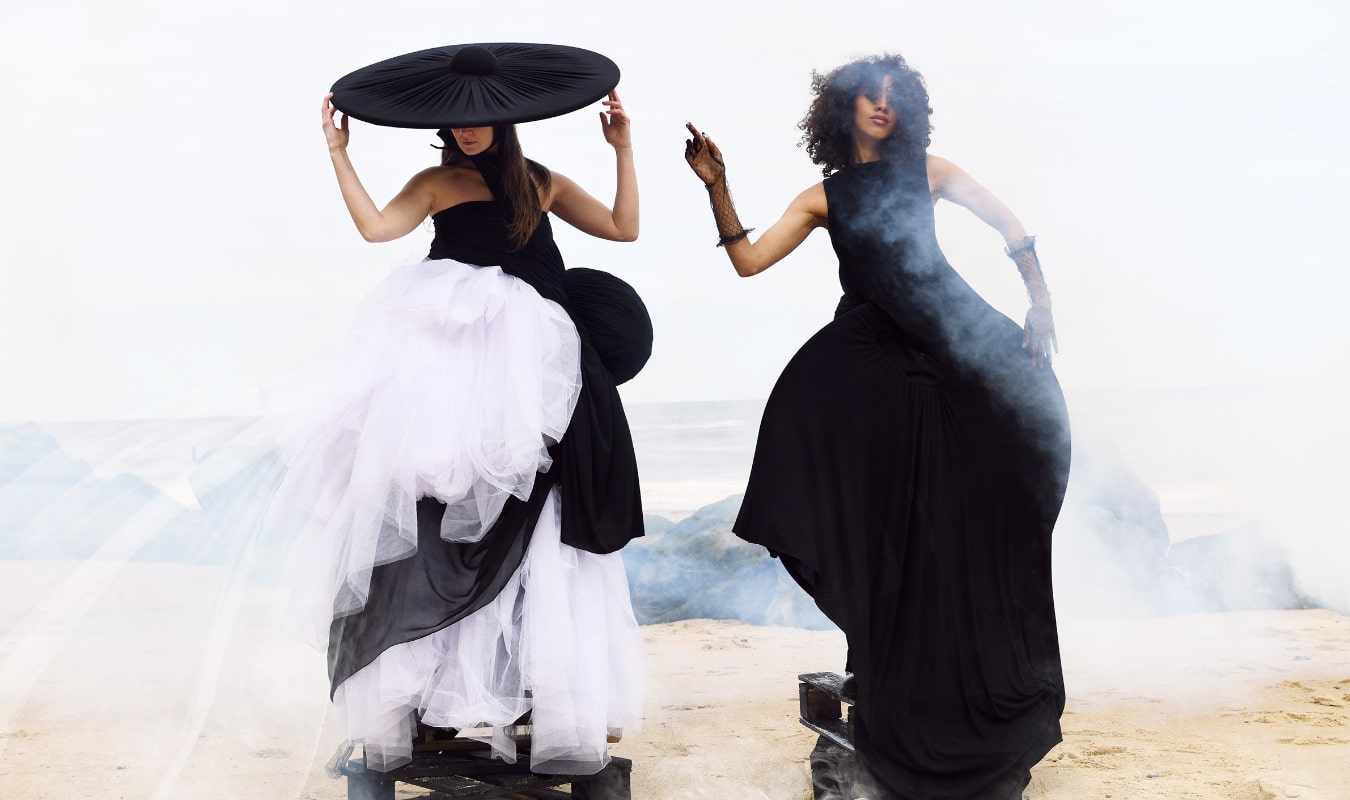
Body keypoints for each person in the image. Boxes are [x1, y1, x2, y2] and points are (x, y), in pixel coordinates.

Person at [684, 54, 1071, 800]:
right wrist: (717, 187)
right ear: (843, 109)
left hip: (958, 349)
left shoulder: (930, 172)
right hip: (877, 374)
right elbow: (749, 263)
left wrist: (1041, 301)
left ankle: (981, 687)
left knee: (989, 498)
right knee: (893, 533)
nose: (883, 106)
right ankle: (892, 681)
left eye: (895, 97)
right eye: (869, 95)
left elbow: (1012, 228)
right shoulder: (822, 197)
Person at [270, 87, 647, 777]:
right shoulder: (436, 182)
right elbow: (378, 229)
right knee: (437, 498)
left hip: (539, 360)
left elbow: (623, 228)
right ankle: (423, 692)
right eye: (455, 119)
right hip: (457, 354)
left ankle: (528, 687)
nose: (466, 129)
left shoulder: (542, 182)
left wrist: (622, 148)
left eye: (479, 116)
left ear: (505, 119)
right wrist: (337, 153)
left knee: (544, 516)